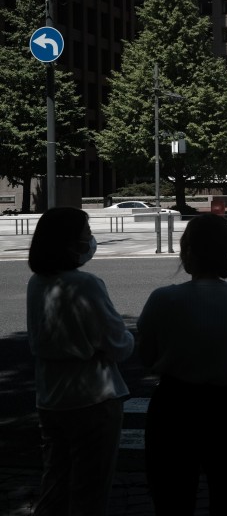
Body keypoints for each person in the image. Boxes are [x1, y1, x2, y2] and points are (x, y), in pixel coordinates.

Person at [137, 214, 227, 515]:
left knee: (172, 495)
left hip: (176, 404)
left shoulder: (163, 299)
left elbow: (147, 359)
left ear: (187, 251)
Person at [26, 208, 135, 515]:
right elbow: (118, 344)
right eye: (86, 233)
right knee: (90, 489)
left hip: (50, 396)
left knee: (55, 482)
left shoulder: (37, 282)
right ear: (71, 242)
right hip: (93, 398)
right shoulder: (85, 283)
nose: (91, 239)